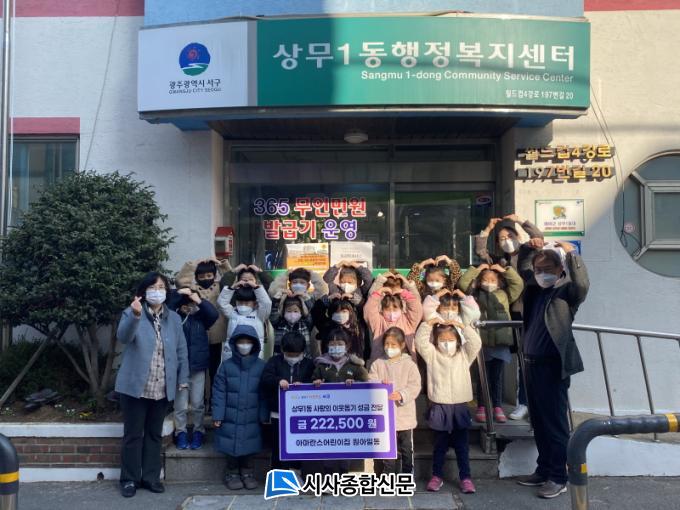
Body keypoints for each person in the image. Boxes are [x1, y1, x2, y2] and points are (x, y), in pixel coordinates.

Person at [515, 241, 589, 499]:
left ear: (560, 270)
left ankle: (558, 477)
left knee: (555, 423)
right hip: (531, 364)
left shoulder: (566, 293)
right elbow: (524, 268)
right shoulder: (535, 290)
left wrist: (572, 254)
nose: (541, 273)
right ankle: (544, 469)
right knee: (539, 422)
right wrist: (528, 247)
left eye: (548, 269)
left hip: (552, 366)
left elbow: (582, 284)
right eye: (539, 269)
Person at [115, 272, 189, 498]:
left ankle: (150, 477)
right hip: (136, 386)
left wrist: (182, 378)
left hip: (162, 386)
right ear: (144, 291)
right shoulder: (132, 312)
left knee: (154, 435)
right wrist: (135, 316)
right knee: (133, 435)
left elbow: (181, 350)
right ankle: (129, 479)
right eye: (153, 287)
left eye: (161, 287)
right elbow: (123, 337)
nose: (157, 291)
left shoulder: (173, 318)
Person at [475, 213, 545, 420]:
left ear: (518, 236)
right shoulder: (500, 261)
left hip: (530, 310)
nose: (506, 241)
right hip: (509, 312)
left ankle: (525, 402)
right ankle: (504, 403)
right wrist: (488, 229)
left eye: (509, 236)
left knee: (527, 357)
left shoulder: (528, 251)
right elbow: (480, 251)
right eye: (502, 239)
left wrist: (521, 221)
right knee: (509, 359)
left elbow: (538, 237)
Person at [415, 320, 481, 495]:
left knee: (462, 446)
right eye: (442, 340)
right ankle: (436, 476)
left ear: (457, 340)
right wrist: (428, 324)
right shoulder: (432, 355)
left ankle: (465, 478)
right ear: (436, 341)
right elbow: (420, 342)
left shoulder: (464, 355)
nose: (446, 344)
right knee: (440, 445)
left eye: (451, 340)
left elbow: (475, 343)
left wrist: (463, 326)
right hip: (439, 406)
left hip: (460, 407)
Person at [458, 263, 524, 423]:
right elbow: (463, 284)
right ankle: (482, 406)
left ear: (499, 282)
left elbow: (518, 284)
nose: (489, 283)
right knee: (483, 377)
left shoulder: (505, 294)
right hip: (483, 342)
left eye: (493, 280)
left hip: (500, 343)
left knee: (497, 376)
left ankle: (497, 406)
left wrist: (505, 270)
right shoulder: (475, 294)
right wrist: (476, 269)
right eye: (485, 280)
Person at [212, 325, 268, 491]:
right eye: (241, 342)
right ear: (234, 344)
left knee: (250, 444)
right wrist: (218, 415)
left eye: (248, 342)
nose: (244, 345)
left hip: (252, 416)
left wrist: (263, 414)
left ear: (254, 344)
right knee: (230, 444)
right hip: (230, 416)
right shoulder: (226, 366)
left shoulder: (261, 366)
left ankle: (247, 472)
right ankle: (232, 472)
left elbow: (264, 394)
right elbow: (219, 392)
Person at [312, 327, 369, 475]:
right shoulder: (321, 365)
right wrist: (316, 383)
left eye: (339, 344)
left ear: (347, 346)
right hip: (327, 416)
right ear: (327, 346)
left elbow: (367, 385)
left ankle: (344, 474)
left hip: (348, 416)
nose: (336, 347)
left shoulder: (355, 366)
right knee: (328, 448)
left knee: (345, 448)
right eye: (332, 344)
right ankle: (329, 475)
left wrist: (356, 384)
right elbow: (311, 384)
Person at [168, 288, 219, 450]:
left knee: (197, 404)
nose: (189, 307)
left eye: (192, 304)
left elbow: (213, 314)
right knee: (180, 405)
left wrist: (198, 300)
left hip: (198, 367)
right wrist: (178, 296)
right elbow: (167, 307)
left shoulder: (202, 318)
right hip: (179, 368)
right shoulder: (174, 318)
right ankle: (180, 432)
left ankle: (198, 431)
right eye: (186, 305)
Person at [368, 327, 421, 475]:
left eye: (393, 345)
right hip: (385, 417)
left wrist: (402, 394)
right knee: (387, 451)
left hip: (404, 416)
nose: (389, 348)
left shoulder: (410, 365)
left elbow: (415, 386)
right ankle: (387, 478)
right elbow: (371, 381)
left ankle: (407, 477)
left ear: (402, 345)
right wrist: (379, 385)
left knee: (406, 449)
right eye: (387, 344)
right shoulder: (378, 364)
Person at [260, 331, 315, 473]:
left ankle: (296, 473)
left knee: (298, 444)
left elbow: (314, 381)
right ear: (283, 350)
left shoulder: (309, 364)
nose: (292, 358)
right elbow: (265, 379)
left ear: (302, 352)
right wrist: (278, 381)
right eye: (289, 354)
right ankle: (278, 475)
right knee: (278, 446)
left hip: (301, 414)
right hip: (278, 412)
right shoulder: (274, 361)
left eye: (296, 355)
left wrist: (304, 385)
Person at [176, 258, 231, 388]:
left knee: (214, 367)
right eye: (201, 276)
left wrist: (222, 264)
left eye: (209, 275)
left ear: (214, 276)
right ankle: (201, 395)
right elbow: (181, 281)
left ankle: (211, 395)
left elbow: (230, 279)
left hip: (216, 334)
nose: (206, 279)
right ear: (196, 277)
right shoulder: (193, 288)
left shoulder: (220, 287)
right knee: (199, 369)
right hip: (197, 333)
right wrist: (194, 264)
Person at [364, 275, 423, 363]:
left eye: (395, 308)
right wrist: (378, 292)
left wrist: (405, 293)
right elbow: (369, 310)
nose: (391, 312)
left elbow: (417, 309)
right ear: (382, 309)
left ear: (401, 309)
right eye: (387, 309)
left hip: (405, 363)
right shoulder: (378, 321)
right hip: (381, 363)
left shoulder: (408, 321)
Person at [217, 278, 272, 360]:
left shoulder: (260, 314)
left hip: (254, 354)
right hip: (231, 354)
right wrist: (232, 288)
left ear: (254, 303)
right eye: (240, 302)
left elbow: (266, 303)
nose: (243, 305)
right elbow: (221, 303)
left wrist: (256, 287)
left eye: (247, 303)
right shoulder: (232, 313)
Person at [312, 296, 369, 360]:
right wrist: (327, 299)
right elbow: (316, 313)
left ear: (350, 313)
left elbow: (366, 311)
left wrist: (353, 297)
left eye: (344, 311)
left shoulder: (358, 327)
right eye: (337, 312)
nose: (340, 314)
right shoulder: (327, 327)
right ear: (331, 314)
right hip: (331, 363)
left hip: (355, 363)